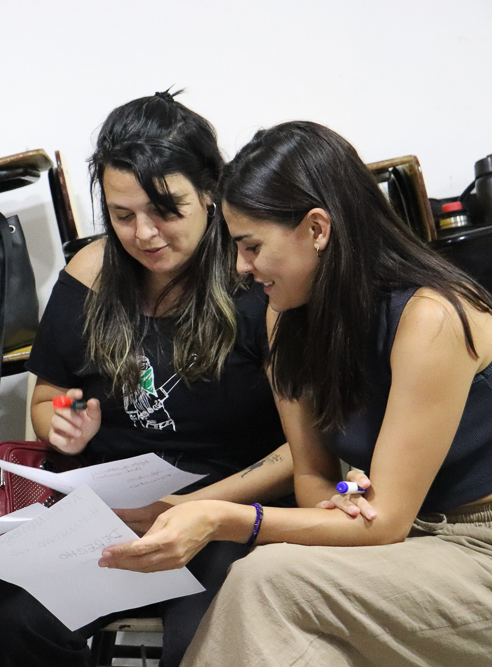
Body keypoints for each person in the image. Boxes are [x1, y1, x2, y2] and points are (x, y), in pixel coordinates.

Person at [101, 121, 492, 666]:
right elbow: (313, 474)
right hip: (414, 541)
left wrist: (220, 516)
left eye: (251, 246)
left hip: (476, 547)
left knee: (266, 577)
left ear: (316, 229)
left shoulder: (432, 318)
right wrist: (342, 501)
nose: (241, 267)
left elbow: (386, 523)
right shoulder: (285, 318)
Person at [0, 92, 295, 667]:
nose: (144, 234)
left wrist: (196, 508)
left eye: (166, 210)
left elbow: (305, 450)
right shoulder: (89, 274)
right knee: (9, 620)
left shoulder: (255, 278)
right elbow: (49, 400)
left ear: (211, 192)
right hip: (113, 514)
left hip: (228, 508)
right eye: (122, 216)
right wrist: (63, 426)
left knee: (209, 639)